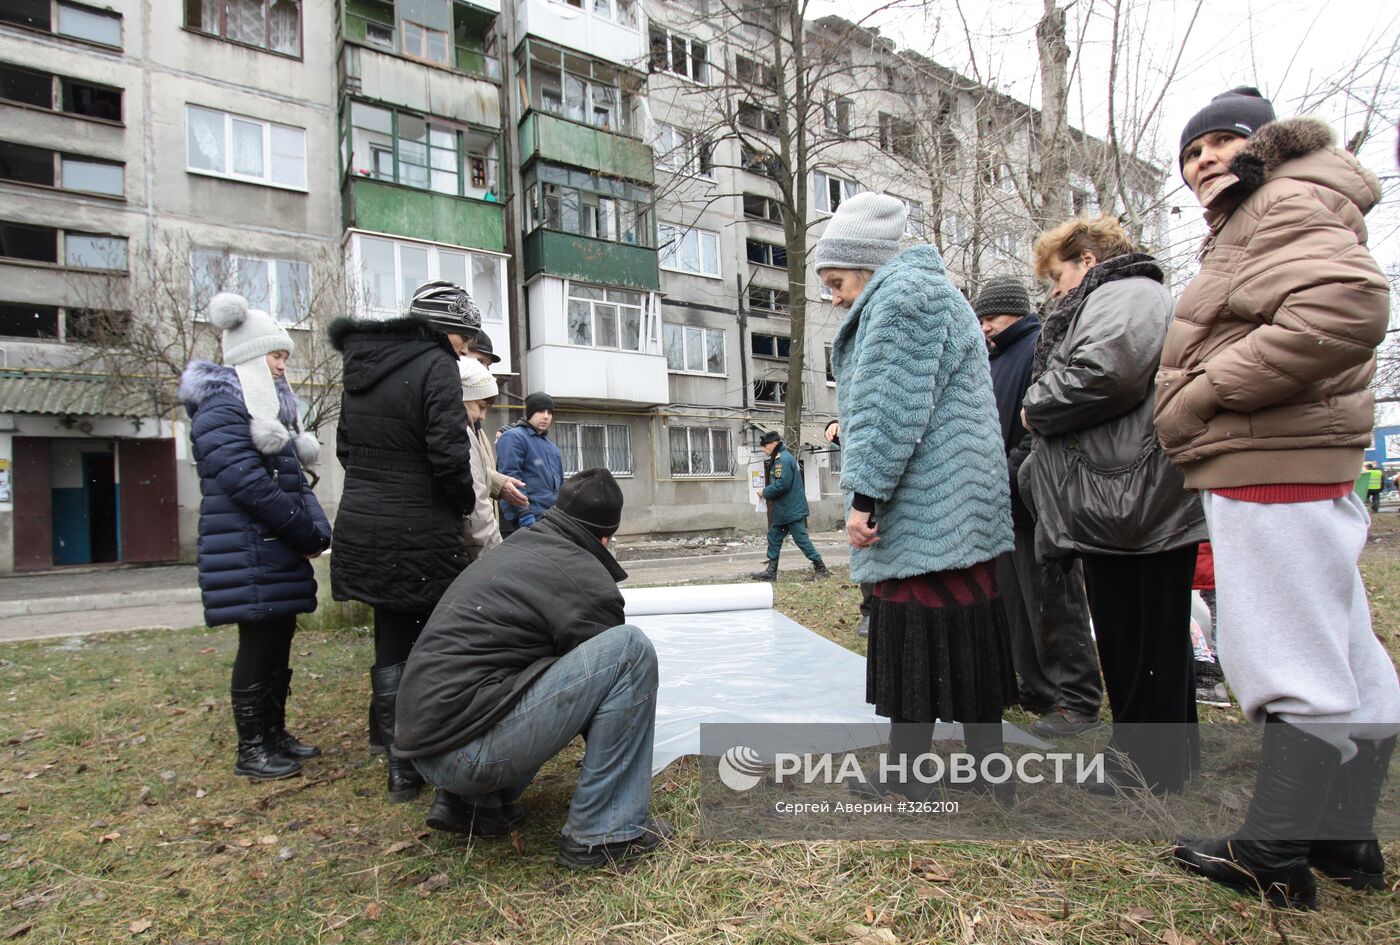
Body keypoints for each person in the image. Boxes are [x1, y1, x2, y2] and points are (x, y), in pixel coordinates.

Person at [1158, 87, 1400, 909]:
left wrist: (1204, 394)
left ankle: (1274, 849)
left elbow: (1349, 303)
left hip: (1271, 454)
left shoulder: (1281, 200)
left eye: (1223, 142)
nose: (1205, 161)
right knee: (1346, 649)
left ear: (1266, 144)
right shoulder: (1281, 206)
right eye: (1192, 153)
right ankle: (1343, 833)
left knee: (1283, 651)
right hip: (1296, 451)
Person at [821, 192, 1016, 804]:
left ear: (867, 264)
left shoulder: (902, 299)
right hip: (958, 499)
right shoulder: (930, 292)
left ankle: (908, 772)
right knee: (966, 631)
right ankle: (991, 773)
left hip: (925, 502)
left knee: (913, 630)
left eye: (837, 281)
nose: (834, 296)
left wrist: (864, 498)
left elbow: (888, 410)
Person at [397, 469, 670, 869]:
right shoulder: (585, 580)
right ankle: (604, 834)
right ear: (606, 537)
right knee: (629, 652)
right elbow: (608, 695)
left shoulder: (517, 549)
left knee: (527, 667)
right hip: (465, 751)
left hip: (428, 743)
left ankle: (472, 803)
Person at [1018, 214, 1206, 796]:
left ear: (1088, 262)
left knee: (1140, 636)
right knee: (1140, 634)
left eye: (1057, 276)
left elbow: (1103, 373)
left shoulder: (1128, 295)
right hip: (1119, 492)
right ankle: (1165, 761)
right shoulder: (1126, 296)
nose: (1054, 292)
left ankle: (1145, 766)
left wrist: (1035, 406)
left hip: (1131, 495)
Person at [329, 280, 479, 802]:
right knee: (437, 639)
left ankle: (399, 767)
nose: (465, 350)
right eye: (464, 337)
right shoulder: (436, 364)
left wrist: (377, 486)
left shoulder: (364, 364)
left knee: (391, 635)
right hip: (420, 522)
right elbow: (447, 452)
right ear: (446, 329)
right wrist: (463, 502)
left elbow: (346, 447)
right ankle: (432, 751)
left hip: (364, 519)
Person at [179, 293, 332, 781]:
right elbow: (248, 485)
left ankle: (274, 733)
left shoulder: (266, 413)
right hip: (248, 549)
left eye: (286, 355)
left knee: (277, 640)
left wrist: (315, 531)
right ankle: (252, 746)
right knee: (259, 644)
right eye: (276, 355)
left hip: (271, 548)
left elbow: (289, 481)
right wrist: (302, 531)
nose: (284, 365)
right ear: (247, 356)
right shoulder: (223, 410)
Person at [973, 277, 1103, 735]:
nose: (985, 326)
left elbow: (1039, 425)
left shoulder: (1038, 347)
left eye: (990, 317)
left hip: (1037, 497)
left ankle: (1077, 702)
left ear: (1015, 312)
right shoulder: (994, 359)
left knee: (1053, 602)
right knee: (1014, 601)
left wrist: (1008, 472)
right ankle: (1036, 688)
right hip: (1004, 503)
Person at [465, 330, 530, 520]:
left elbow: (474, 472)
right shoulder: (445, 420)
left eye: (488, 365)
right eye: (479, 361)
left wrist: (496, 483)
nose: (485, 371)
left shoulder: (476, 423)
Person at [749, 431, 830, 581]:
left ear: (774, 444)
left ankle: (821, 568)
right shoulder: (781, 458)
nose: (763, 449)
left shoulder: (782, 460)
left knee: (801, 539)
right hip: (785, 509)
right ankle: (771, 572)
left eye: (765, 446)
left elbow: (782, 484)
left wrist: (764, 492)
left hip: (791, 509)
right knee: (774, 536)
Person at [825, 419, 872, 635]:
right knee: (866, 552)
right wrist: (834, 425)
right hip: (863, 496)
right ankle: (870, 612)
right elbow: (855, 437)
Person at [497, 392, 564, 536]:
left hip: (552, 517)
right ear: (530, 413)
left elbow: (561, 485)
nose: (546, 416)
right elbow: (511, 477)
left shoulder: (553, 448)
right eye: (540, 411)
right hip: (528, 517)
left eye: (550, 412)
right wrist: (524, 514)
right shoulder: (514, 437)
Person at [460, 360, 505, 560]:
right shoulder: (461, 433)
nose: (482, 416)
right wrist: (496, 564)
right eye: (480, 406)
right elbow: (475, 508)